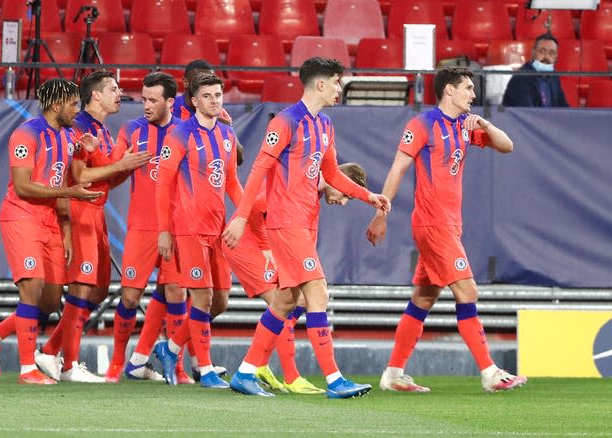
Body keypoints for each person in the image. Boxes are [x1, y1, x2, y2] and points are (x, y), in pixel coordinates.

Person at [222, 57, 390, 398]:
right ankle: (334, 379)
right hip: (285, 222)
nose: (340, 89)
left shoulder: (325, 125)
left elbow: (332, 175)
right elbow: (257, 170)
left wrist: (367, 196)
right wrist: (240, 217)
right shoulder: (285, 122)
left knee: (286, 301)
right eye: (337, 82)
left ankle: (244, 372)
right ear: (320, 84)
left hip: (305, 222)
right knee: (318, 292)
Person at [366, 66, 527, 393]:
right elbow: (398, 167)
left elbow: (507, 145)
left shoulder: (466, 127)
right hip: (433, 223)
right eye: (467, 88)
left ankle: (393, 374)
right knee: (467, 292)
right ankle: (490, 372)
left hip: (450, 225)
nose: (473, 94)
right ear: (449, 91)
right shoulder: (422, 124)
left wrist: (484, 123)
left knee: (423, 298)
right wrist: (380, 212)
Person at [0, 78, 104, 384]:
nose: (78, 109)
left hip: (50, 221)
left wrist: (67, 231)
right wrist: (71, 194)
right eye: (73, 104)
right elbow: (22, 186)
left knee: (49, 300)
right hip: (22, 217)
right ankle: (27, 369)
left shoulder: (67, 136)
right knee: (32, 289)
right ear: (56, 105)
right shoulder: (26, 133)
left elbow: (68, 167)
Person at [35, 70, 151, 383]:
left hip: (96, 212)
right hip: (79, 208)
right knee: (80, 288)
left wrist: (128, 165)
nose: (120, 93)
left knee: (97, 291)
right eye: (113, 88)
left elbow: (110, 176)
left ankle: (49, 350)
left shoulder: (103, 129)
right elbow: (81, 176)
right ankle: (70, 364)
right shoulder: (80, 126)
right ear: (95, 95)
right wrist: (121, 164)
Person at [221, 163, 369, 395]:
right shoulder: (302, 181)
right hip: (246, 244)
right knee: (300, 299)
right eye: (346, 195)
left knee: (291, 302)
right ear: (338, 180)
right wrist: (265, 246)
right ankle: (297, 377)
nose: (343, 202)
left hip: (274, 244)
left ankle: (249, 370)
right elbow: (256, 208)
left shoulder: (314, 192)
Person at [153, 73, 243, 387]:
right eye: (207, 96)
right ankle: (205, 370)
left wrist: (246, 216)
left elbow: (231, 182)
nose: (215, 100)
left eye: (218, 95)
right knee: (202, 297)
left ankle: (171, 346)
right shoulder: (179, 134)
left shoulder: (227, 135)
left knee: (220, 301)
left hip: (217, 229)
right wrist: (164, 230)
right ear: (193, 101)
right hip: (187, 227)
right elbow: (162, 185)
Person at [100, 72, 189, 383]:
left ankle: (176, 367)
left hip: (177, 228)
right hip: (141, 227)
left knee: (177, 293)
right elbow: (111, 175)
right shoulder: (131, 130)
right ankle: (116, 362)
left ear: (170, 102)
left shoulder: (186, 132)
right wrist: (122, 164)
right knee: (129, 298)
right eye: (143, 99)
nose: (146, 105)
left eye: (153, 100)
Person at [502, 33, 569, 107]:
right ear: (533, 53)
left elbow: (563, 106)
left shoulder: (554, 77)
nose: (546, 56)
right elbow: (528, 113)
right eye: (541, 51)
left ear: (556, 58)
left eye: (551, 53)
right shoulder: (521, 78)